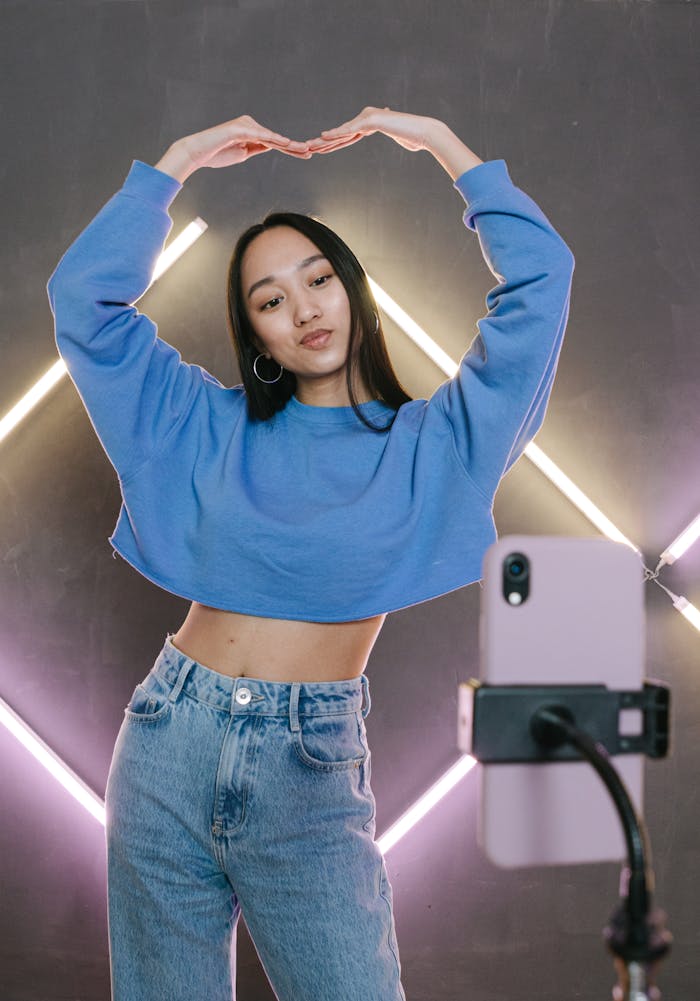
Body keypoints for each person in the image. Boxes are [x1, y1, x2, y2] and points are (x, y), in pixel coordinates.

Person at [46, 107, 575, 1001]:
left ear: (352, 286)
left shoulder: (437, 443)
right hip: (170, 741)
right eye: (269, 299)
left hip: (311, 764)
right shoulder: (199, 424)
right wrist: (170, 169)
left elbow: (544, 279)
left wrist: (446, 150)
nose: (303, 308)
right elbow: (83, 307)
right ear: (256, 335)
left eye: (318, 277)